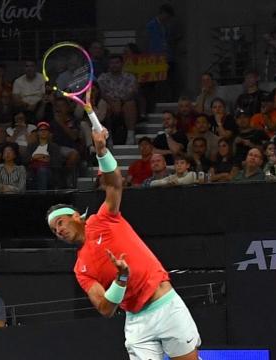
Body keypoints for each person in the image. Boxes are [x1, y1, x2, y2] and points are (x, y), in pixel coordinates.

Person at [46, 127, 200, 360]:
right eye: (54, 229)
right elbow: (105, 309)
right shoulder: (81, 268)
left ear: (76, 216)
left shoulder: (103, 218)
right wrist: (121, 279)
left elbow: (115, 184)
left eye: (60, 222)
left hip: (166, 304)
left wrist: (101, 151)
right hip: (137, 322)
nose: (58, 230)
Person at [97, 55, 139, 144]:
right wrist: (112, 102)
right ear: (109, 65)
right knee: (104, 106)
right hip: (109, 102)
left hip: (125, 102)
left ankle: (130, 135)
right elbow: (101, 93)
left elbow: (132, 92)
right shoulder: (102, 77)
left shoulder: (129, 77)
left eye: (117, 62)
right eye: (112, 63)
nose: (114, 65)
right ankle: (108, 136)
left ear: (122, 64)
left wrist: (120, 102)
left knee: (130, 104)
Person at [26, 122, 63, 190]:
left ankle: (43, 197)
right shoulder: (31, 146)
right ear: (37, 133)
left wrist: (37, 157)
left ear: (49, 133)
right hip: (32, 170)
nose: (43, 131)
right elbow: (26, 160)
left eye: (45, 130)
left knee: (42, 171)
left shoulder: (54, 147)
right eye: (41, 130)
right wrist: (43, 157)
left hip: (49, 171)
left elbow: (57, 162)